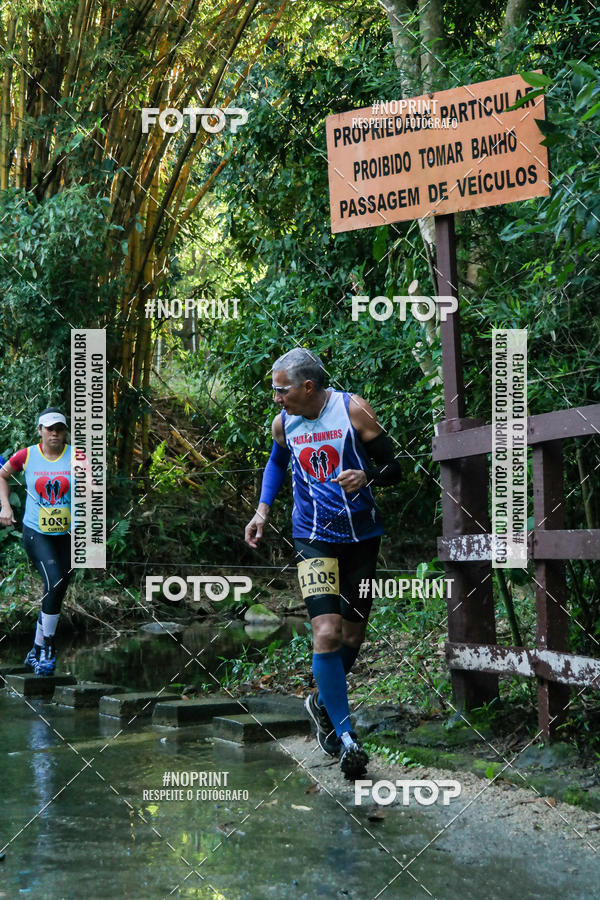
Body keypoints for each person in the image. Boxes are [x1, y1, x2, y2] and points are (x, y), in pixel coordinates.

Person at [245, 349, 402, 779]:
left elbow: (396, 466)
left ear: (307, 387)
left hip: (362, 537)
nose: (276, 397)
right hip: (312, 537)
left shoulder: (352, 410)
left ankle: (320, 702)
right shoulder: (284, 423)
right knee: (326, 631)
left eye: (282, 389)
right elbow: (277, 461)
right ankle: (346, 736)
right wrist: (261, 511)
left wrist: (367, 476)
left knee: (351, 633)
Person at [0, 408, 73, 676]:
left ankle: (36, 647)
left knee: (59, 587)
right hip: (36, 532)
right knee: (54, 580)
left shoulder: (76, 456)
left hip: (67, 534)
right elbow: (2, 474)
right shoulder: (27, 455)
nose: (55, 433)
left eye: (60, 429)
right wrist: (5, 507)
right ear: (40, 430)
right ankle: (48, 648)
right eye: (50, 429)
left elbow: (91, 485)